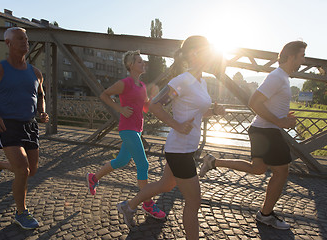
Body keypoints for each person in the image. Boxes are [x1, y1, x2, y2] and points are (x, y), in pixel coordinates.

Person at [116, 36, 225, 239]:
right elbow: (155, 104)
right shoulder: (183, 80)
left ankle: (128, 206)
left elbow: (197, 112)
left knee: (165, 185)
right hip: (180, 150)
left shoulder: (201, 82)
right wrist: (175, 125)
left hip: (186, 148)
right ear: (194, 53)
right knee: (194, 202)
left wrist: (214, 111)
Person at [199, 41, 307, 230]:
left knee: (258, 168)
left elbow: (266, 105)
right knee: (282, 171)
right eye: (302, 56)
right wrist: (280, 122)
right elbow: (254, 102)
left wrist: (282, 118)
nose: (303, 60)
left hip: (263, 129)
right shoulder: (278, 77)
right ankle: (265, 214)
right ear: (291, 57)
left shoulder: (282, 77)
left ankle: (213, 161)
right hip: (266, 130)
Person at [0, 27, 49, 230]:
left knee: (31, 171)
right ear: (8, 43)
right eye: (20, 38)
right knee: (23, 170)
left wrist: (42, 112)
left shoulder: (36, 72)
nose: (25, 41)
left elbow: (40, 95)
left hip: (30, 126)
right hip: (7, 125)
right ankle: (21, 213)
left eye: (26, 38)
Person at [86, 50, 166, 220]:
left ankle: (93, 178)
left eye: (143, 61)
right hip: (127, 129)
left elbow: (144, 107)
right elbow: (104, 95)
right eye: (139, 62)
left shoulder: (142, 86)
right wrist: (120, 109)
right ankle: (147, 203)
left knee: (121, 160)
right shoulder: (125, 83)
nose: (143, 64)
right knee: (143, 165)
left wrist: (154, 103)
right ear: (130, 65)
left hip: (137, 129)